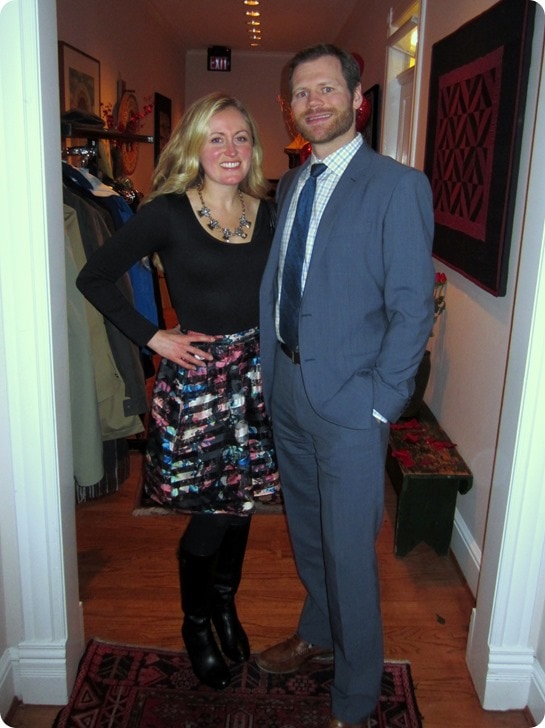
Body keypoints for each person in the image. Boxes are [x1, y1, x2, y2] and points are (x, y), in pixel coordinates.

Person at [257, 44, 435, 728]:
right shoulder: (291, 183)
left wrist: (381, 403)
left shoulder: (396, 186)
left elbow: (412, 307)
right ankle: (319, 631)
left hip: (352, 407)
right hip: (288, 387)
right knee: (307, 532)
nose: (315, 102)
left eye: (327, 89)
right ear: (291, 107)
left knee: (349, 552)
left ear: (357, 99)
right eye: (302, 92)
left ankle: (355, 699)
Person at [76, 92, 279, 690]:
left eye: (241, 137)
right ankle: (196, 625)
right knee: (212, 514)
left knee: (242, 506)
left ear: (254, 148)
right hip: (197, 382)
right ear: (194, 147)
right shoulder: (166, 212)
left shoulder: (269, 213)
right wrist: (153, 337)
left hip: (257, 380)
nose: (230, 149)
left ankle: (224, 603)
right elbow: (94, 276)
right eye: (216, 138)